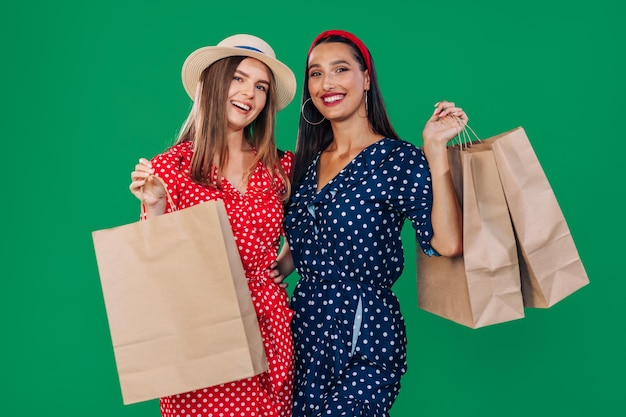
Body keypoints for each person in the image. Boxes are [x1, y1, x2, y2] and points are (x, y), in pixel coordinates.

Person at [274, 30, 466, 417]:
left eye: (340, 69)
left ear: (366, 79)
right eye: (316, 73)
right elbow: (304, 243)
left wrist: (434, 150)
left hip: (366, 330)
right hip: (302, 329)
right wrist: (269, 275)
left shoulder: (397, 160)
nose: (326, 83)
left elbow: (446, 243)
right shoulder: (303, 164)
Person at [129, 34, 297, 417]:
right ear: (213, 83)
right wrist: (154, 205)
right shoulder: (171, 167)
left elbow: (312, 230)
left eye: (261, 86)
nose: (249, 94)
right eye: (238, 78)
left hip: (269, 334)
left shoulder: (280, 167)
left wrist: (283, 264)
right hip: (202, 336)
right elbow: (151, 264)